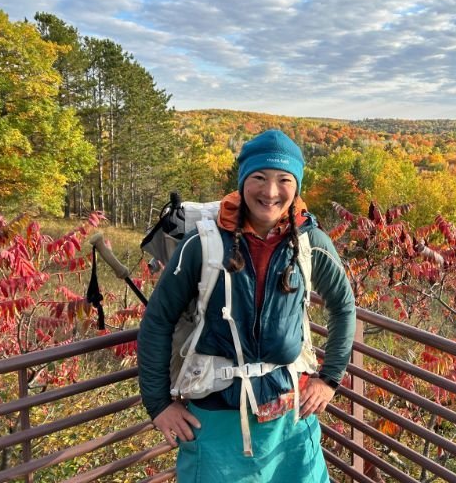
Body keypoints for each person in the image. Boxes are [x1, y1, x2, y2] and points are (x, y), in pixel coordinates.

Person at [137, 129, 356, 481]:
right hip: (216, 416)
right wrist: (159, 404)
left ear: (296, 186)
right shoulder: (202, 243)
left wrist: (329, 380)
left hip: (290, 414)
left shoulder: (309, 241)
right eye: (259, 177)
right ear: (242, 182)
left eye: (284, 179)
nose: (270, 192)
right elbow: (157, 321)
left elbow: (343, 307)